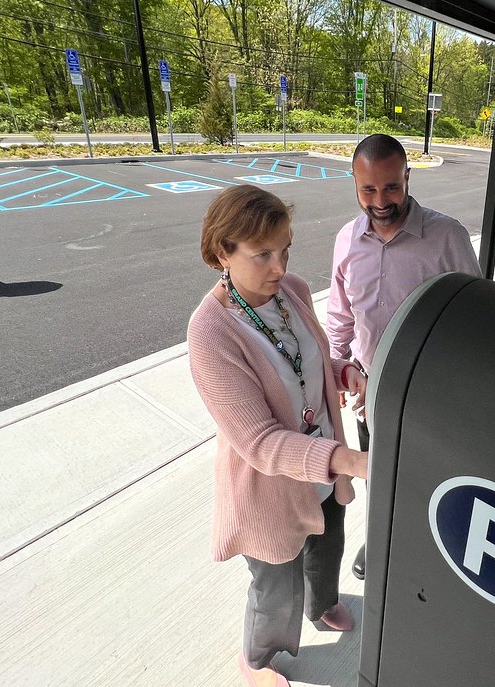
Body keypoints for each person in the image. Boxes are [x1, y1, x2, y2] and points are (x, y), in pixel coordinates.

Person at [187, 185, 368, 687]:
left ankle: (323, 603)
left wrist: (340, 371)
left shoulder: (293, 291)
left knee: (327, 547)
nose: (279, 267)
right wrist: (351, 460)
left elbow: (307, 359)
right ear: (222, 252)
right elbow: (260, 442)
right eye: (262, 254)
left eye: (285, 250)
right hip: (270, 488)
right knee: (275, 590)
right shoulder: (211, 332)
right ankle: (257, 658)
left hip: (323, 468)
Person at [327, 133, 482, 580]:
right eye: (368, 189)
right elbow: (341, 314)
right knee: (376, 469)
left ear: (408, 177)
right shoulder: (346, 240)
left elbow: (474, 318)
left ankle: (420, 545)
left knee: (424, 475)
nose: (380, 201)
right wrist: (337, 366)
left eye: (392, 187)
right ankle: (380, 538)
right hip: (369, 388)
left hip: (429, 391)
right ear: (354, 184)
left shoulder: (446, 237)